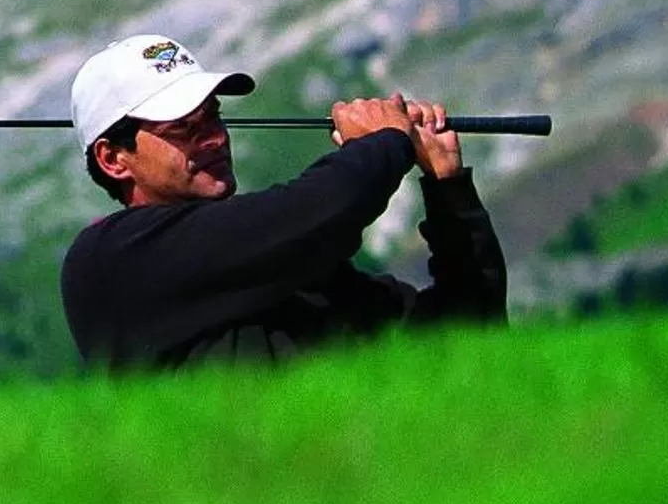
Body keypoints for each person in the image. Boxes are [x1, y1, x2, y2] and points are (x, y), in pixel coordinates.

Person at [58, 32, 507, 371]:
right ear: (113, 159)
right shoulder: (108, 261)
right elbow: (322, 211)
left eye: (213, 116)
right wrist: (386, 140)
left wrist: (448, 189)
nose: (214, 138)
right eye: (183, 128)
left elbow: (468, 337)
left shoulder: (293, 271)